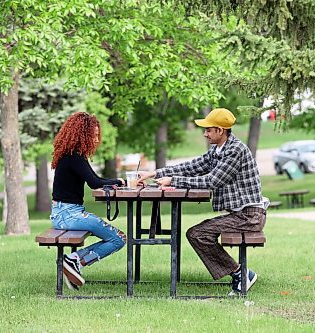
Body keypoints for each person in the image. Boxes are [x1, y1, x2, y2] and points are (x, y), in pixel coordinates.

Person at [138, 108, 269, 296]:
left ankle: (241, 274)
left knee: (197, 234)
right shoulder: (218, 150)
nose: (205, 133)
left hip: (250, 216)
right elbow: (191, 166)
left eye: (208, 130)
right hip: (241, 215)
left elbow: (212, 181)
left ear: (220, 130)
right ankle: (240, 273)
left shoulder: (234, 151)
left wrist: (173, 181)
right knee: (197, 233)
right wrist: (155, 173)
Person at [50, 112, 126, 290]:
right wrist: (122, 182)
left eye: (97, 135)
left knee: (117, 238)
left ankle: (73, 262)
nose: (95, 139)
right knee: (118, 239)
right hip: (67, 215)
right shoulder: (74, 156)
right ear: (82, 134)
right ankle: (74, 261)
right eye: (93, 135)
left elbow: (95, 179)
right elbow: (95, 183)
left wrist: (117, 183)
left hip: (65, 213)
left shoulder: (73, 156)